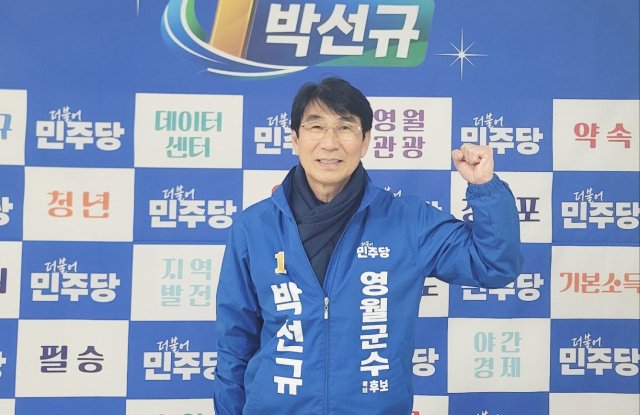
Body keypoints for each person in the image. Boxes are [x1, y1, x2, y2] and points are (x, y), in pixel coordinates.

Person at [213, 77, 523, 415]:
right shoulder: (254, 227)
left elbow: (494, 266)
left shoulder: (406, 221)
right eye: (316, 127)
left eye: (345, 128)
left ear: (365, 142)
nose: (329, 143)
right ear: (295, 139)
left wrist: (485, 189)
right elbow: (234, 343)